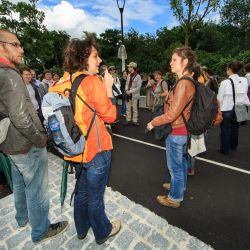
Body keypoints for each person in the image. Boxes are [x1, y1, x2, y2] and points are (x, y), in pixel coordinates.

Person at [50, 36, 121, 244]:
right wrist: (108, 88)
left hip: (74, 149)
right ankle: (102, 231)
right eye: (95, 56)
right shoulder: (92, 81)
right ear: (83, 58)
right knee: (95, 197)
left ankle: (81, 229)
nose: (99, 61)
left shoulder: (60, 82)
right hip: (96, 149)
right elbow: (111, 116)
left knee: (80, 191)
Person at [0, 29, 68, 242]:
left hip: (10, 143)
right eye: (15, 44)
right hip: (25, 143)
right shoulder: (10, 74)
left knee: (19, 182)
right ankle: (41, 231)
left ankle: (23, 218)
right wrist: (39, 138)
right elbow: (21, 116)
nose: (21, 49)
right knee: (37, 189)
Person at [147, 47, 196, 208]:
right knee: (181, 163)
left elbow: (172, 114)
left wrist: (153, 122)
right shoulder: (185, 81)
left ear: (185, 62)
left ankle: (174, 198)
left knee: (174, 166)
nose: (171, 63)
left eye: (174, 60)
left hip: (176, 131)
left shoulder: (183, 84)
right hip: (182, 130)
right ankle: (179, 186)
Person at [217, 60, 249, 155]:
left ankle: (225, 149)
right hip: (239, 107)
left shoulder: (225, 82)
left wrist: (217, 110)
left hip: (226, 109)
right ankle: (233, 146)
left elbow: (219, 98)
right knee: (235, 128)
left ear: (229, 69)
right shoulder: (244, 80)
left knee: (225, 129)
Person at [123, 62, 142, 126]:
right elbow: (126, 84)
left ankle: (135, 121)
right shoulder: (128, 75)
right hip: (128, 94)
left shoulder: (138, 76)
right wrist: (126, 90)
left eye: (129, 67)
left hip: (134, 95)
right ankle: (128, 120)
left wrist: (130, 91)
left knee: (135, 109)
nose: (128, 68)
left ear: (133, 68)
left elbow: (138, 87)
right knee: (128, 108)